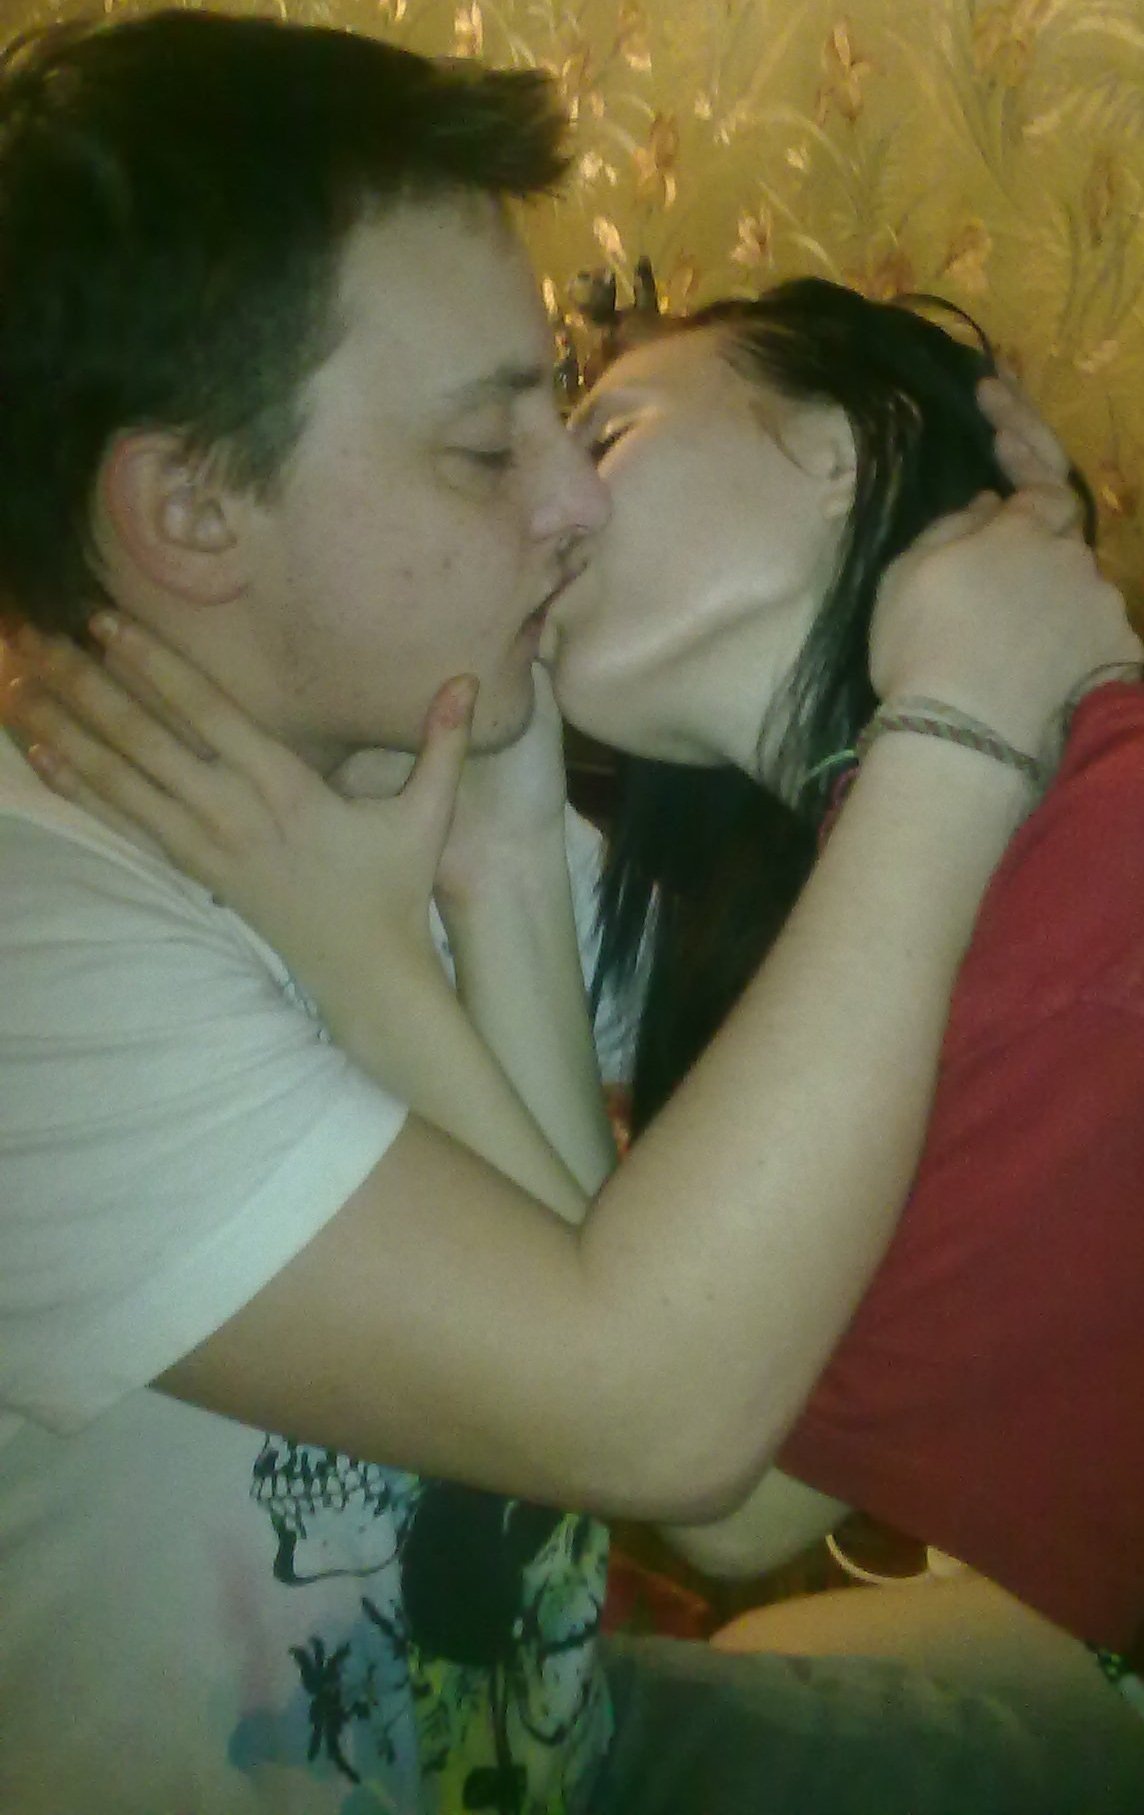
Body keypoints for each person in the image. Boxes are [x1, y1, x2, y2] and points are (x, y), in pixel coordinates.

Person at [0, 11, 1139, 1814]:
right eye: (488, 445)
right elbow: (676, 1413)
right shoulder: (44, 957)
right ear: (192, 508)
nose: (561, 505)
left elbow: (685, 1334)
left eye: (585, 412)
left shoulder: (448, 770)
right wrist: (959, 721)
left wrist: (504, 860)